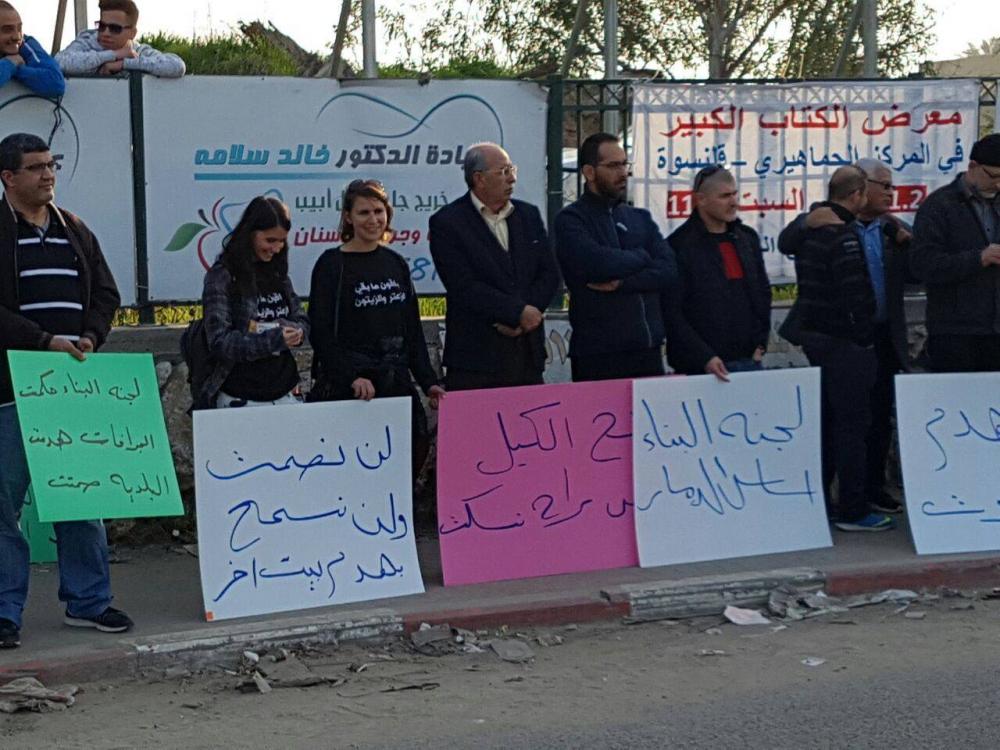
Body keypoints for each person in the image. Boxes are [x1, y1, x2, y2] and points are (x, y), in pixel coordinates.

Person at [0, 132, 127, 649]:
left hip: (71, 390)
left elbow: (108, 293)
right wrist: (41, 341)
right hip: (10, 390)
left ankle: (88, 602)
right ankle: (5, 612)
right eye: (35, 167)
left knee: (81, 495)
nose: (48, 174)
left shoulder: (75, 229)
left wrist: (91, 336)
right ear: (8, 178)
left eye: (51, 164)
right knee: (3, 505)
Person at [780, 158, 915, 515]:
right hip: (839, 337)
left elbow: (918, 269)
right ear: (861, 188)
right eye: (884, 185)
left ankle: (873, 488)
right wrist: (806, 221)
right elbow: (786, 240)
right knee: (837, 419)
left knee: (878, 416)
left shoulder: (892, 228)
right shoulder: (825, 221)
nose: (890, 193)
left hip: (883, 334)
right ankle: (833, 497)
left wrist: (906, 243)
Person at [309, 179, 445, 473]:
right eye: (364, 212)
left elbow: (412, 329)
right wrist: (351, 377)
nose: (373, 220)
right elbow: (320, 331)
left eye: (378, 211)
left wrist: (429, 382)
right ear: (348, 217)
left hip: (395, 384)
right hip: (352, 389)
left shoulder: (396, 263)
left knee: (407, 459)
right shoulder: (332, 264)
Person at [429, 142, 560, 390]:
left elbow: (549, 273)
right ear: (479, 178)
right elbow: (463, 286)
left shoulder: (528, 215)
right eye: (503, 172)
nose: (512, 179)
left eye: (512, 170)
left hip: (526, 355)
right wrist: (515, 312)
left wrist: (528, 316)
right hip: (476, 358)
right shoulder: (448, 222)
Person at [555, 132, 676, 382]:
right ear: (589, 172)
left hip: (648, 352)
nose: (623, 173)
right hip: (599, 356)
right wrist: (643, 256)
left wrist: (624, 283)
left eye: (624, 164)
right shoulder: (572, 220)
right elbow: (598, 265)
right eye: (613, 166)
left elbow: (668, 270)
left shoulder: (639, 218)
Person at [198, 196, 309, 410]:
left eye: (282, 241)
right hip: (240, 395)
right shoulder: (222, 276)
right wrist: (272, 339)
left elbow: (302, 318)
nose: (276, 248)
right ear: (249, 234)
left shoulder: (278, 274)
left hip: (284, 390)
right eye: (270, 240)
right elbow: (220, 341)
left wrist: (296, 332)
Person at [665, 165, 771, 380]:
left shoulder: (746, 239)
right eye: (724, 196)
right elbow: (672, 311)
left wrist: (760, 343)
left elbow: (762, 292)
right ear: (701, 200)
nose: (733, 202)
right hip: (701, 368)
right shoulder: (679, 246)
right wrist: (703, 356)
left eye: (734, 194)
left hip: (748, 360)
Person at [910, 133, 1000, 372]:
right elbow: (923, 264)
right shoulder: (939, 206)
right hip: (955, 332)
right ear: (973, 166)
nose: (998, 185)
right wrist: (979, 258)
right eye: (994, 176)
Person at [55, 0, 185, 79]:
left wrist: (123, 64)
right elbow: (60, 62)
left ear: (132, 33)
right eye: (101, 26)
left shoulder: (139, 51)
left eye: (114, 28)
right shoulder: (86, 42)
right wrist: (115, 54)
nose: (105, 33)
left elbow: (177, 66)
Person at [0, 1, 66, 97]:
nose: (16, 36)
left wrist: (17, 69)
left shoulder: (26, 44)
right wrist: (10, 63)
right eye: (7, 30)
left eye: (19, 29)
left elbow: (56, 83)